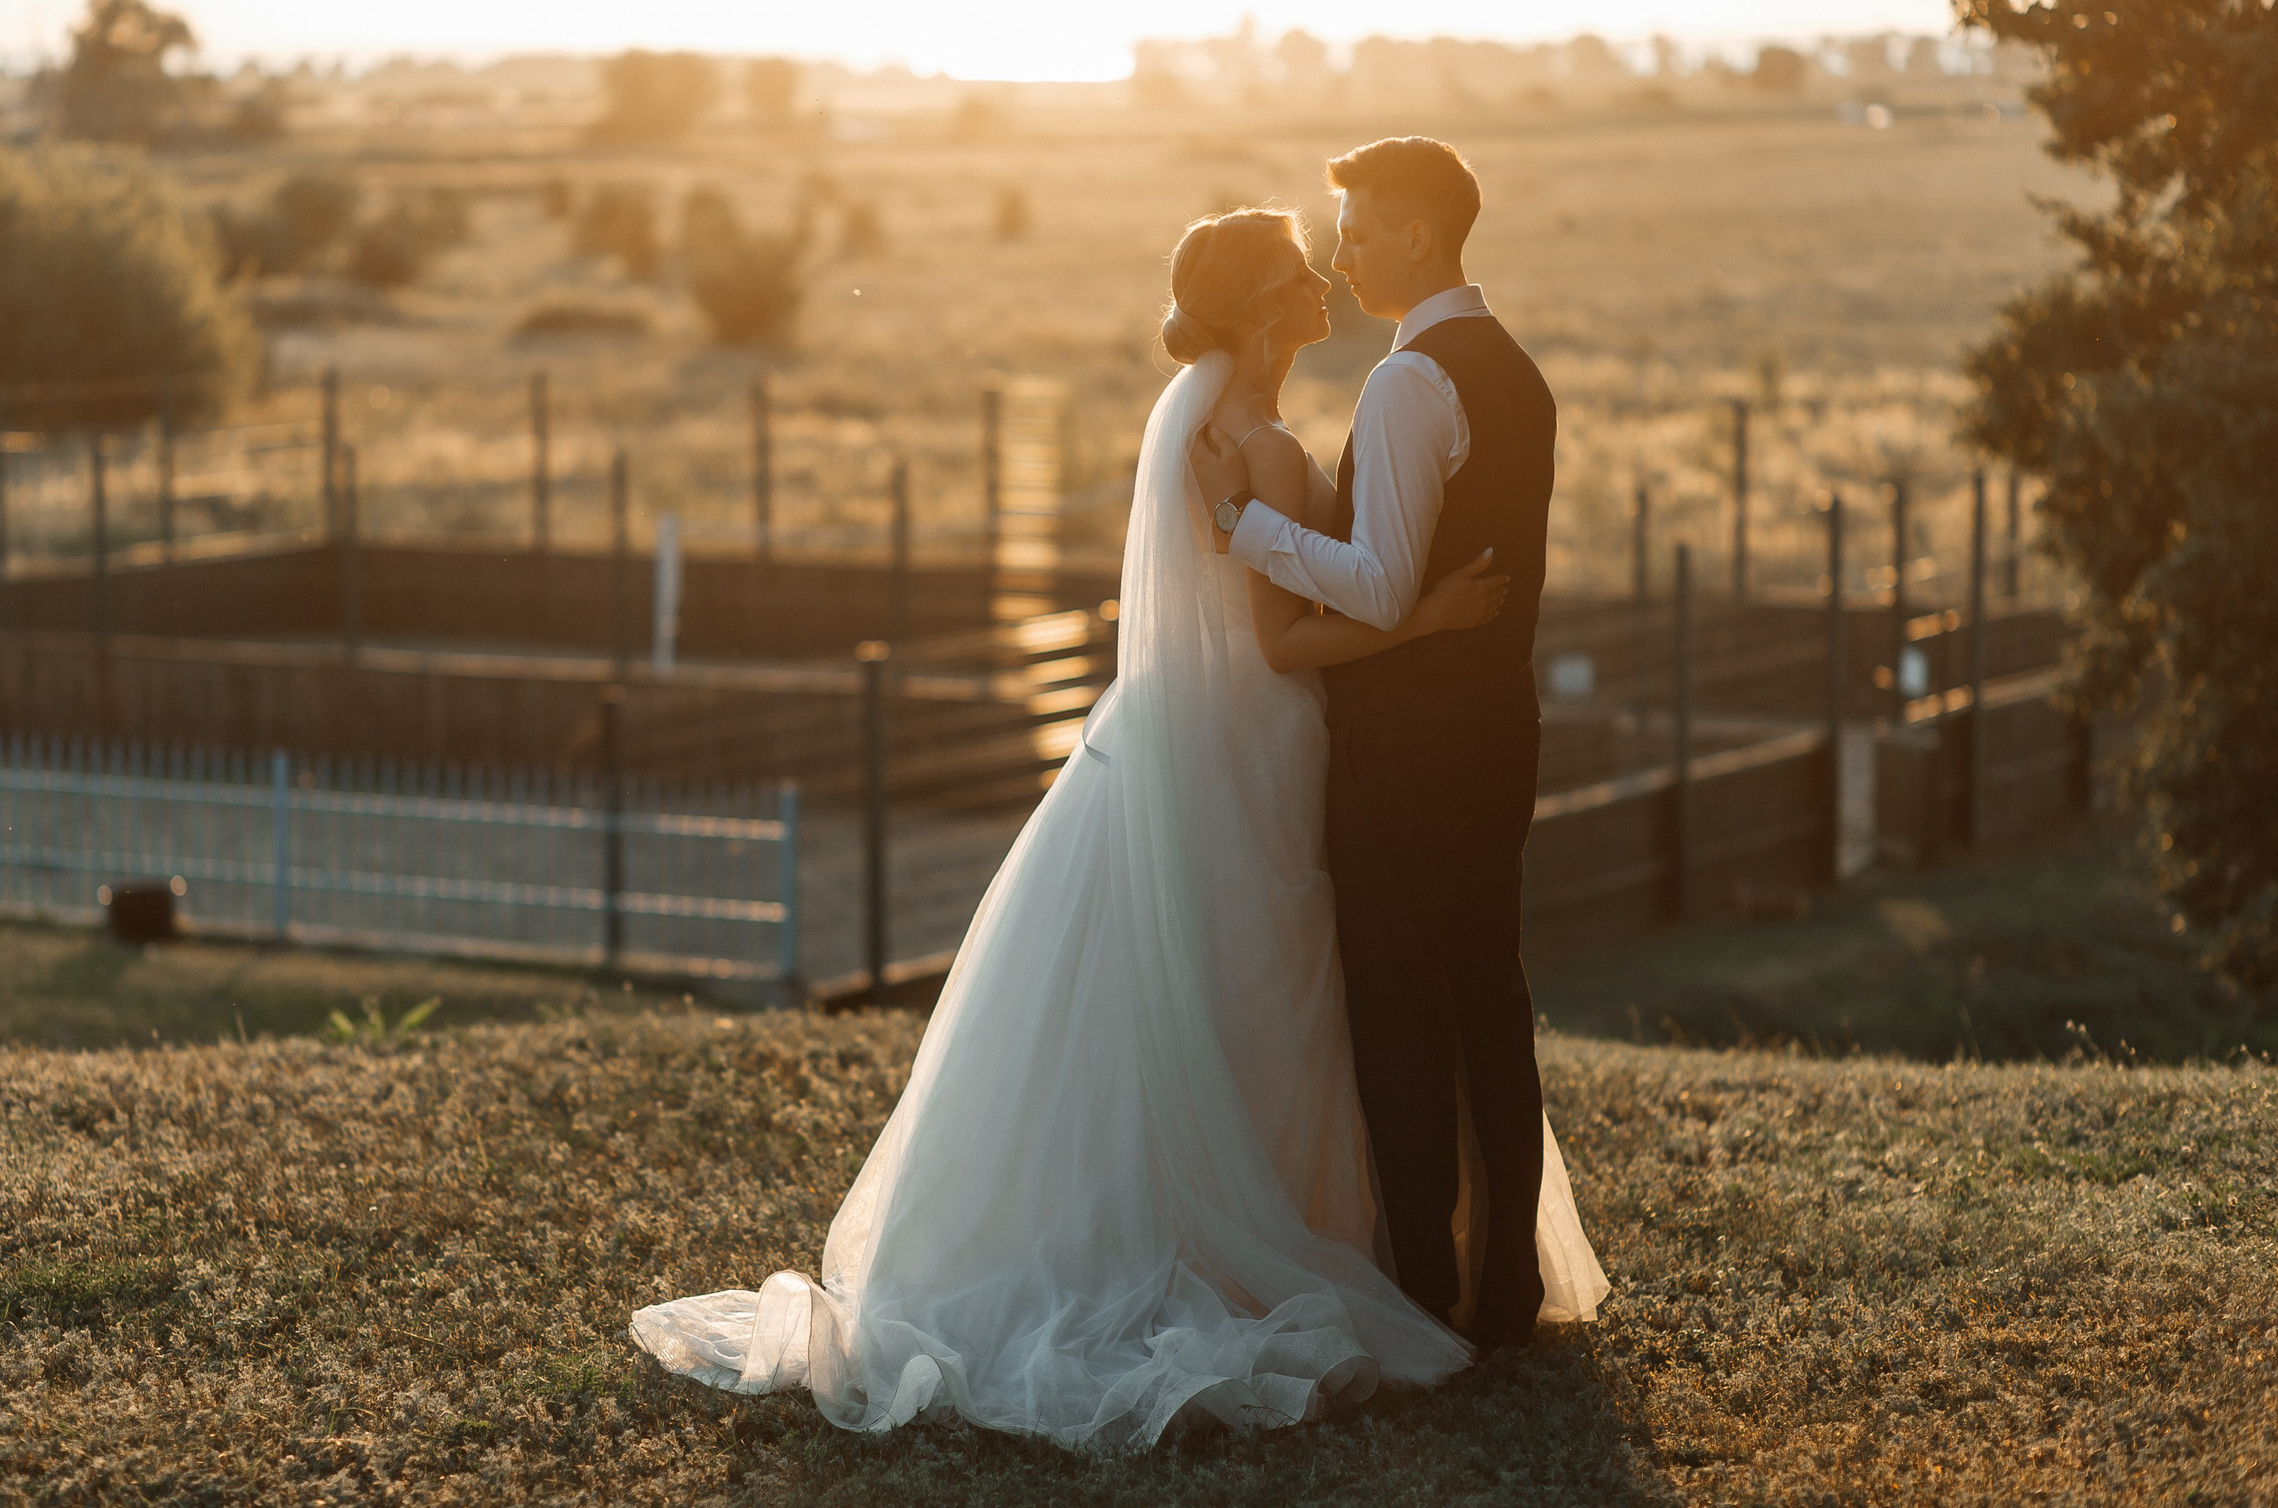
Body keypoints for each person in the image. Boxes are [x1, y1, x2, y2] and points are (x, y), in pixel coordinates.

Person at [630, 206, 1604, 1452]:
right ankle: (1241, 1242)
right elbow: (1281, 640)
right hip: (1254, 740)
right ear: (1264, 312)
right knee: (1252, 992)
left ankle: (1290, 1226)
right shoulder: (1245, 445)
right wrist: (1428, 621)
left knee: (1229, 994)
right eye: (1302, 275)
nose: (1324, 286)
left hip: (1219, 740)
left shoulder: (1223, 430)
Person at [1190, 138, 1567, 1349]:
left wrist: (1248, 532)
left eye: (1357, 230)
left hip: (1408, 744)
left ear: (1416, 236)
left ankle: (1420, 1289)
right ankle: (1502, 1277)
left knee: (1403, 1009)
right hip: (1500, 728)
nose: (1342, 253)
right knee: (1488, 995)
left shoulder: (1410, 384)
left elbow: (1379, 585)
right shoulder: (1514, 368)